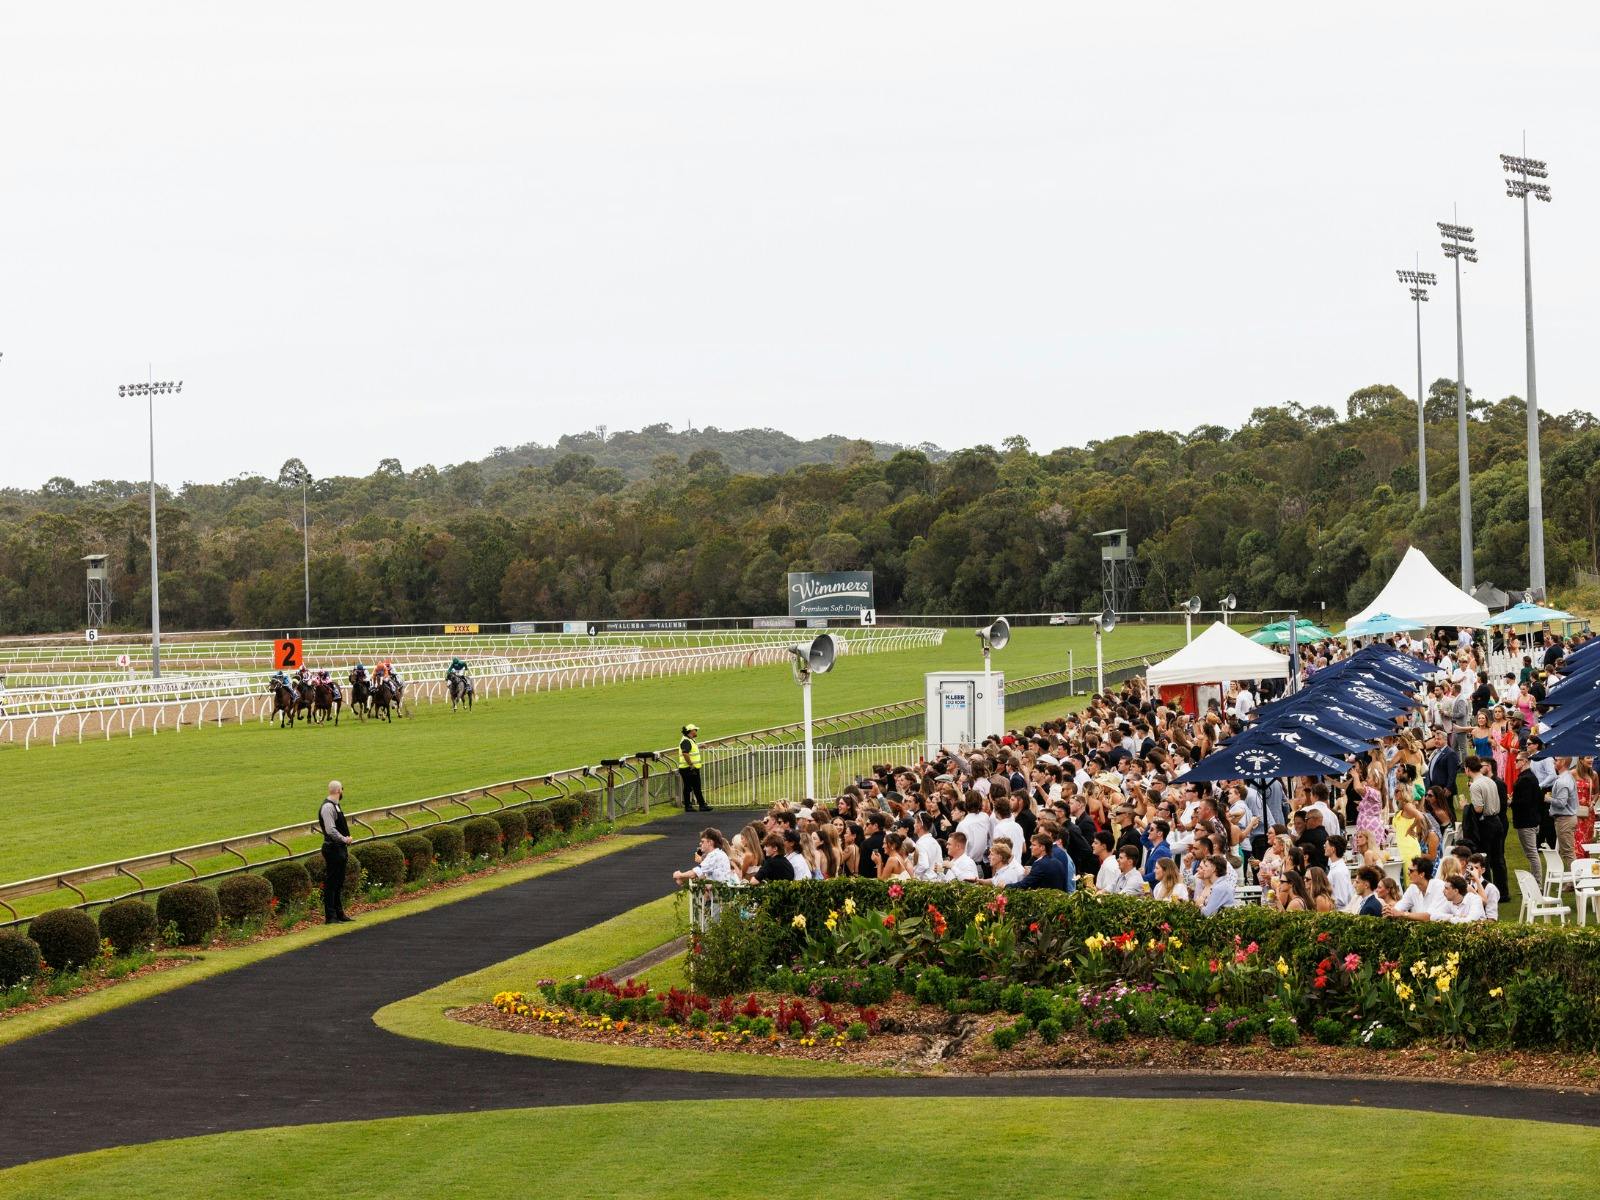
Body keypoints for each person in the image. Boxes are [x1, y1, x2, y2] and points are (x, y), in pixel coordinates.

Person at [1467, 756, 1508, 895]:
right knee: (1498, 859)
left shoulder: (1475, 785)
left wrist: (1467, 806)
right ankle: (1503, 892)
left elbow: (1478, 808)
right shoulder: (1490, 780)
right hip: (1497, 820)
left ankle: (1487, 892)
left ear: (1467, 769)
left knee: (1484, 859)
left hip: (1486, 823)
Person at [318, 780, 354, 924]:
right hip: (333, 848)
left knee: (339, 882)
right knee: (332, 883)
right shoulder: (328, 807)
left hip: (339, 848)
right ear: (339, 790)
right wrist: (344, 839)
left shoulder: (336, 806)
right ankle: (330, 916)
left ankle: (339, 913)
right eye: (342, 789)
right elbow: (330, 830)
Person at [1551, 757, 1580, 875]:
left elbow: (1561, 803)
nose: (1554, 762)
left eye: (1557, 760)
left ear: (1563, 762)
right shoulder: (1567, 777)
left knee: (1567, 852)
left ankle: (1575, 880)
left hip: (1565, 819)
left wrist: (1547, 799)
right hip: (1567, 818)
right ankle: (1573, 878)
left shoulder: (1564, 780)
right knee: (1567, 851)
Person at [676, 723, 710, 813]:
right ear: (691, 731)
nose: (696, 731)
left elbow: (690, 749)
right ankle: (689, 806)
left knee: (696, 787)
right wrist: (691, 764)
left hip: (691, 768)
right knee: (689, 788)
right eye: (695, 730)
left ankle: (701, 805)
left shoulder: (690, 740)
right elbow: (685, 753)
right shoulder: (686, 741)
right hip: (688, 768)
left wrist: (700, 746)